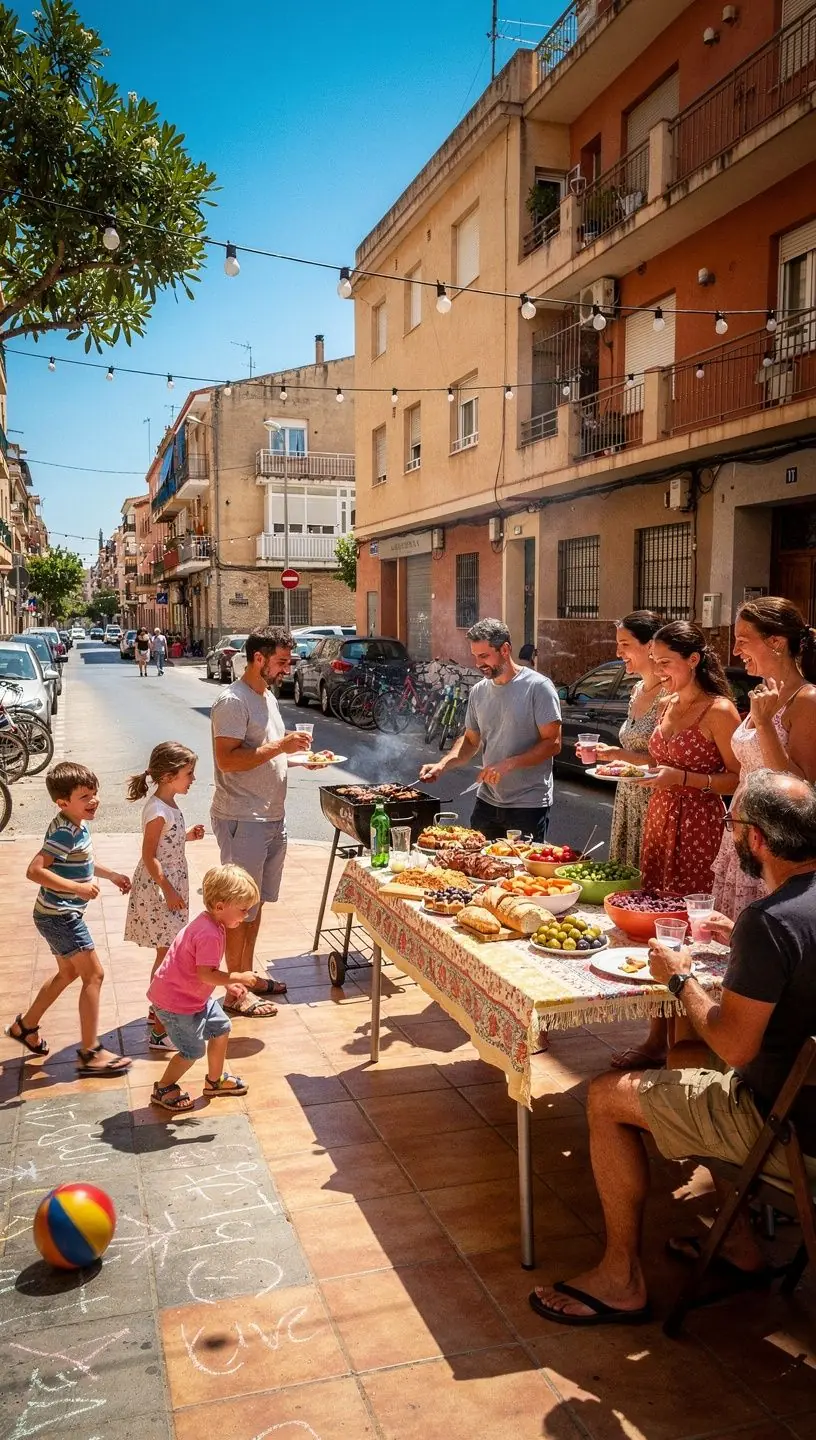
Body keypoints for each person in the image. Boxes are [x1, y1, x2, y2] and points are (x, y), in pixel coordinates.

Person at [529, 769, 816, 1326]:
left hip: (793, 1133)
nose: (731, 839)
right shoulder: (776, 922)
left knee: (606, 1096)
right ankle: (738, 1241)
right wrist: (740, 939)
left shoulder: (772, 921)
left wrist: (680, 978)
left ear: (756, 839)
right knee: (684, 1058)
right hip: (802, 1102)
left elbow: (734, 1046)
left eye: (733, 827)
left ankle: (621, 1279)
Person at [4, 762, 132, 1076]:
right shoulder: (64, 829)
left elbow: (83, 860)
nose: (94, 800)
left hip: (54, 914)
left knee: (68, 974)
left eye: (95, 793)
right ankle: (91, 1052)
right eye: (85, 796)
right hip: (60, 915)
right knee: (94, 975)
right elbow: (35, 870)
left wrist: (112, 875)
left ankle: (25, 1027)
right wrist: (77, 888)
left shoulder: (76, 824)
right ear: (63, 803)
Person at [210, 625, 311, 1015]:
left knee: (254, 906)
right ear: (258, 659)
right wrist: (280, 747)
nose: (287, 669)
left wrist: (295, 758)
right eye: (282, 662)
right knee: (238, 911)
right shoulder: (232, 702)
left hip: (270, 816)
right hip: (242, 818)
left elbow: (267, 753)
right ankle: (236, 993)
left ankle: (246, 978)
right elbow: (228, 760)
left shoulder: (266, 696)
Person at [713, 597, 816, 920]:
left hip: (774, 845)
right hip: (743, 834)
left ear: (776, 642)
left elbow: (801, 789)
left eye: (743, 640)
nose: (735, 650)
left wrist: (765, 725)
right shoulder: (764, 694)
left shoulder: (807, 699)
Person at [420, 618, 562, 842]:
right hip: (486, 801)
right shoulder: (478, 691)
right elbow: (470, 740)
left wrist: (509, 763)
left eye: (484, 656)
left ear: (505, 649)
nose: (478, 663)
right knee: (478, 867)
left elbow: (553, 743)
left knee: (520, 874)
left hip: (528, 804)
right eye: (475, 656)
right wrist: (442, 765)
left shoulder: (538, 687)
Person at [147, 864, 262, 1111]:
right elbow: (206, 973)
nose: (247, 915)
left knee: (221, 1027)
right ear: (220, 906)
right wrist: (235, 977)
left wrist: (227, 985)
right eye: (243, 910)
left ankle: (215, 1080)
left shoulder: (211, 923)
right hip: (176, 1003)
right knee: (191, 1051)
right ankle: (164, 1087)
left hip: (192, 996)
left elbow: (203, 973)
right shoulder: (209, 933)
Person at [639, 620, 740, 895]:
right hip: (659, 816)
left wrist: (682, 778)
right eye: (654, 662)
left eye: (665, 663)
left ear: (693, 659)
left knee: (691, 908)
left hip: (699, 823)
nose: (658, 671)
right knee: (653, 903)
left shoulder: (719, 710)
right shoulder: (664, 705)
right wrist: (626, 767)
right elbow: (657, 765)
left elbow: (737, 780)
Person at [124, 741, 205, 1051]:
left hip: (170, 885)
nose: (193, 779)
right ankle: (160, 1028)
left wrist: (187, 837)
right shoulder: (157, 810)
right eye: (189, 773)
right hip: (160, 890)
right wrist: (168, 889)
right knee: (167, 954)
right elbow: (149, 855)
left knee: (167, 950)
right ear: (170, 775)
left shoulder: (167, 805)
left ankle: (155, 1008)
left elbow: (165, 844)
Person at [592, 611, 665, 869]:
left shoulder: (669, 695)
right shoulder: (636, 690)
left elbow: (666, 760)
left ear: (650, 646)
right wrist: (611, 758)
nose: (618, 652)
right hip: (628, 798)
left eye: (625, 645)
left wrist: (617, 755)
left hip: (655, 802)